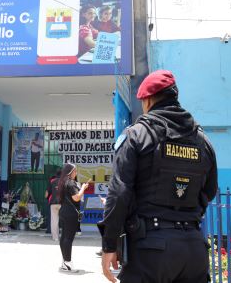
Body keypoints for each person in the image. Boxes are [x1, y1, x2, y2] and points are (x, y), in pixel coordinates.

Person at [98, 70, 218, 283]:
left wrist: (109, 244)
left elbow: (119, 191)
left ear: (148, 100)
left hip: (150, 251)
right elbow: (209, 191)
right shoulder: (203, 141)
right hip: (194, 248)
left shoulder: (136, 134)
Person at [57, 163, 89, 272]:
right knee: (68, 238)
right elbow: (76, 198)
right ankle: (68, 263)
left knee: (64, 237)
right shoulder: (70, 183)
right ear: (70, 172)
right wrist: (83, 188)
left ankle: (65, 262)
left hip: (63, 211)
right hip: (71, 213)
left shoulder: (62, 182)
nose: (76, 173)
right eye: (75, 171)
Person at [45, 169, 62, 241]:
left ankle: (55, 237)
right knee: (64, 220)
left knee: (54, 220)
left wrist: (48, 197)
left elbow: (46, 194)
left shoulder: (52, 181)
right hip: (63, 203)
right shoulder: (65, 181)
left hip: (53, 203)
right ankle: (65, 237)